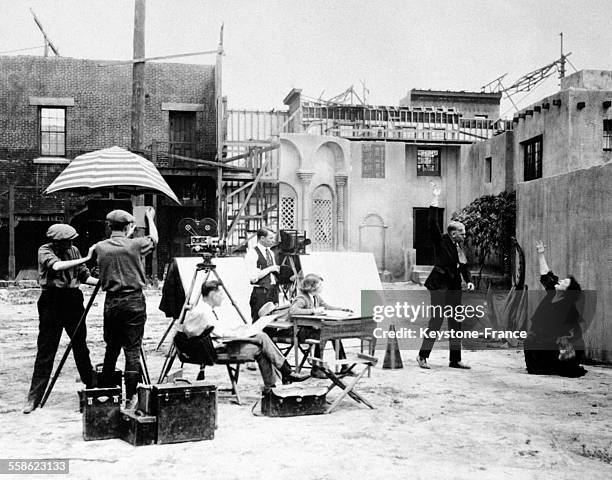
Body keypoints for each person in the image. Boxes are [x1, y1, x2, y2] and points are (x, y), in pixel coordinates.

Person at [23, 224, 98, 413]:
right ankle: (34, 397)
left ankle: (92, 391)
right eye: (68, 240)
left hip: (73, 300)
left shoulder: (74, 250)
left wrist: (105, 282)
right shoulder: (45, 250)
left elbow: (84, 276)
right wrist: (88, 257)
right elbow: (56, 265)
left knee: (81, 347)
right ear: (57, 242)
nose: (71, 243)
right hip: (51, 301)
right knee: (46, 350)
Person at [180, 280, 309, 390]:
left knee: (261, 343)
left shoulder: (203, 309)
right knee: (261, 339)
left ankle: (276, 383)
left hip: (218, 344)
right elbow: (221, 335)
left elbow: (216, 330)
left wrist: (240, 329)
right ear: (213, 295)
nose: (223, 297)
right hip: (217, 349)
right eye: (220, 294)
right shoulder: (203, 312)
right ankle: (284, 375)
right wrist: (241, 333)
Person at [94, 208, 158, 408]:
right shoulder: (135, 245)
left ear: (109, 226)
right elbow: (154, 239)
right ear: (129, 226)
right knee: (132, 350)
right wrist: (149, 218)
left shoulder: (100, 247)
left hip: (112, 301)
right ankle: (131, 398)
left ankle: (106, 396)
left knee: (111, 349)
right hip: (134, 301)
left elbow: (117, 244)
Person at [416, 181, 474, 370]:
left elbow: (463, 265)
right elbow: (432, 224)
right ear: (452, 233)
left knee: (456, 322)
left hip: (454, 287)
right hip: (440, 286)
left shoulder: (460, 246)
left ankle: (455, 359)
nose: (465, 235)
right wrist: (435, 198)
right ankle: (422, 357)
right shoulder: (442, 241)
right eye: (462, 232)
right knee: (436, 321)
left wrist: (469, 281)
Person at [523, 241, 587, 377]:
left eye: (564, 282)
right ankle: (539, 366)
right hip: (544, 336)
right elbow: (546, 275)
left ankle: (554, 365)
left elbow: (572, 333)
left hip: (558, 340)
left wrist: (565, 344)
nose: (560, 281)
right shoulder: (554, 292)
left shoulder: (568, 308)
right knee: (530, 340)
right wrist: (541, 255)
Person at [289, 273, 353, 378]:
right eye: (320, 285)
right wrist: (313, 311)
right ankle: (316, 368)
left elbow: (326, 306)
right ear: (312, 287)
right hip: (301, 331)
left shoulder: (316, 297)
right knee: (324, 334)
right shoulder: (301, 298)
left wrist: (341, 310)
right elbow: (293, 311)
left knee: (333, 333)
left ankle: (344, 366)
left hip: (312, 330)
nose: (321, 287)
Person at [245, 228, 280, 322]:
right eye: (271, 238)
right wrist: (270, 269)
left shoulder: (271, 253)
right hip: (261, 293)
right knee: (259, 323)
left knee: (274, 323)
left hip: (273, 292)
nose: (273, 240)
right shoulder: (252, 253)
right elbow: (253, 278)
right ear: (262, 238)